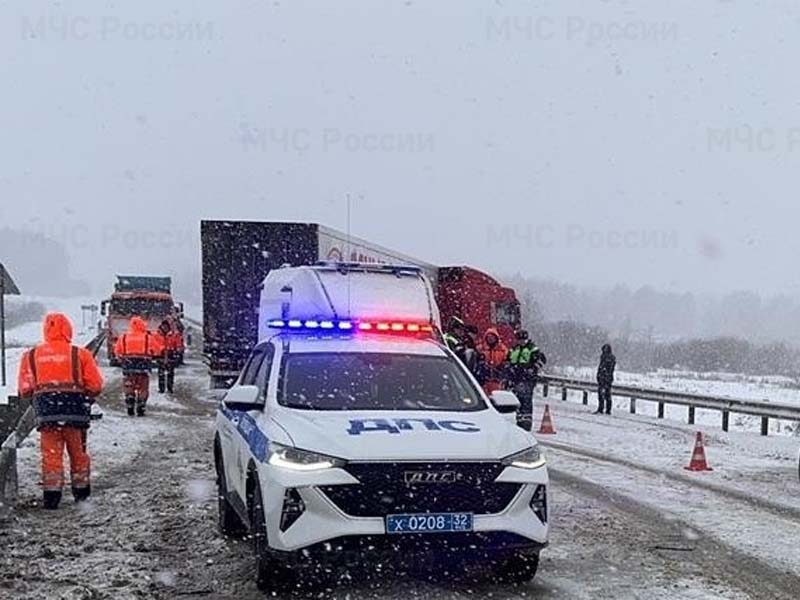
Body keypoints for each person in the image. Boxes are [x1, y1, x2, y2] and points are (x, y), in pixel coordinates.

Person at [16, 313, 103, 509]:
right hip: (75, 413)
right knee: (78, 453)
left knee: (51, 455)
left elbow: (25, 389)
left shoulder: (30, 355)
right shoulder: (80, 354)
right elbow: (95, 385)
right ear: (68, 329)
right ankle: (81, 492)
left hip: (47, 414)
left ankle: (52, 496)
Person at [114, 316, 164, 416]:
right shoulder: (147, 338)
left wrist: (123, 357)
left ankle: (130, 399)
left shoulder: (123, 337)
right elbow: (158, 351)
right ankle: (141, 404)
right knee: (143, 387)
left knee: (129, 384)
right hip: (143, 364)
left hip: (128, 365)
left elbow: (117, 352)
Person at [507, 330, 547, 431]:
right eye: (519, 339)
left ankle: (526, 422)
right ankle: (519, 420)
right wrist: (509, 370)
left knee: (526, 399)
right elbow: (508, 360)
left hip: (527, 379)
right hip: (515, 378)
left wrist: (532, 369)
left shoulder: (532, 349)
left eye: (523, 339)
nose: (521, 341)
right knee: (517, 400)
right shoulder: (514, 349)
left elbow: (542, 360)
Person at [476, 327, 509, 395]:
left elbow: (506, 362)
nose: (490, 339)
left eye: (492, 337)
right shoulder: (480, 349)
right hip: (484, 380)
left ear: (496, 337)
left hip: (497, 379)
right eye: (488, 337)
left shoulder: (503, 350)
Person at [156, 319, 182, 394]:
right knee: (161, 373)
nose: (165, 328)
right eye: (163, 326)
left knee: (170, 373)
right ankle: (161, 389)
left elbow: (178, 344)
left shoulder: (174, 335)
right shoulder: (157, 334)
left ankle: (170, 388)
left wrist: (177, 351)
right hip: (160, 355)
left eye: (166, 327)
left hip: (171, 355)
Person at [596, 344, 616, 415]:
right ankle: (602, 409)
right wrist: (599, 375)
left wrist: (606, 376)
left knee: (606, 395)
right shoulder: (603, 357)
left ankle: (607, 410)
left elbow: (609, 369)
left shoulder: (610, 358)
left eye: (605, 349)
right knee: (602, 394)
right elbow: (601, 367)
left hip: (606, 378)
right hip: (603, 378)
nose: (604, 350)